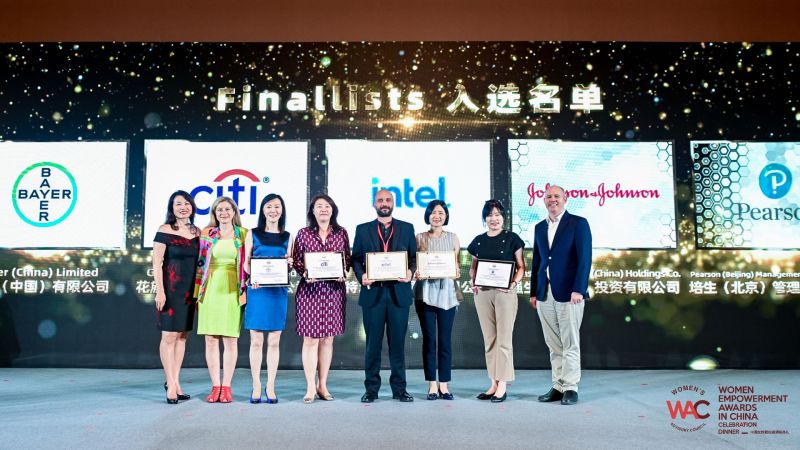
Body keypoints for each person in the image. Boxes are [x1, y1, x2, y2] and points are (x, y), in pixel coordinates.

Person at [529, 185, 592, 406]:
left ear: (565, 199)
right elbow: (537, 262)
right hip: (544, 293)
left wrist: (579, 289)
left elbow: (584, 259)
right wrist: (534, 292)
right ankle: (557, 385)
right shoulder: (539, 227)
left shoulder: (578, 223)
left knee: (570, 342)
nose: (552, 200)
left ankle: (571, 387)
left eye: (556, 196)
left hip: (569, 292)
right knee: (553, 343)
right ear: (544, 201)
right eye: (548, 197)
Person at [352, 189, 416, 403]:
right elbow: (356, 259)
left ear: (393, 203)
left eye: (388, 200)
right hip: (373, 293)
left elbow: (414, 258)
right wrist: (362, 276)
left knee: (398, 344)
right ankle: (371, 389)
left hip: (399, 294)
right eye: (380, 200)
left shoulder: (407, 228)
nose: (384, 203)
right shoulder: (363, 229)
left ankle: (400, 389)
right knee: (372, 345)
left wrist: (409, 272)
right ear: (374, 204)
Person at [292, 194, 351, 404]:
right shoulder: (303, 233)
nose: (324, 209)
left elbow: (348, 260)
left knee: (327, 339)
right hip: (310, 292)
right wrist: (306, 272)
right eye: (319, 206)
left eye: (327, 206)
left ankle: (322, 384)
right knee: (310, 339)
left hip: (334, 291)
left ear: (333, 210)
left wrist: (343, 271)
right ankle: (310, 386)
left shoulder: (341, 233)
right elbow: (298, 260)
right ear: (313, 211)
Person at [467, 199, 525, 403]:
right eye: (490, 215)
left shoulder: (512, 239)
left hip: (504, 294)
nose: (494, 219)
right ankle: (493, 383)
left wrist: (512, 284)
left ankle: (503, 385)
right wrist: (472, 281)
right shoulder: (478, 240)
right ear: (485, 218)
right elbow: (474, 266)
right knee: (490, 340)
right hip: (483, 294)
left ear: (503, 217)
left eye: (498, 214)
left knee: (504, 340)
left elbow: (521, 267)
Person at [194, 196, 248, 403]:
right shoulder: (207, 234)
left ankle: (227, 386)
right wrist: (197, 292)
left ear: (234, 212)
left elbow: (251, 261)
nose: (223, 213)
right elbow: (199, 264)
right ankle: (215, 385)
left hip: (233, 288)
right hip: (209, 288)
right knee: (210, 340)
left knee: (230, 339)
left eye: (227, 209)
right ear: (214, 214)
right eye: (219, 210)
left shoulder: (243, 234)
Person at [243, 194, 292, 404]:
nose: (273, 210)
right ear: (263, 210)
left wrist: (289, 263)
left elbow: (290, 263)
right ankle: (256, 385)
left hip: (277, 291)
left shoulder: (289, 236)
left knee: (274, 341)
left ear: (282, 211)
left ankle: (270, 386)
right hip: (257, 290)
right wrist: (252, 276)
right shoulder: (252, 234)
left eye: (277, 207)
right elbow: (246, 263)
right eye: (269, 206)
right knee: (256, 340)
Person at [152, 190, 200, 404]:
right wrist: (160, 291)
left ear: (192, 207)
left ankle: (176, 381)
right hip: (170, 290)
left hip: (191, 292)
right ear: (172, 208)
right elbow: (157, 263)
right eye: (178, 203)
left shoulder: (198, 231)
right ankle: (170, 383)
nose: (183, 207)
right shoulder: (164, 230)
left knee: (182, 336)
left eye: (186, 203)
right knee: (169, 337)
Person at [414, 200, 461, 400]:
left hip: (447, 295)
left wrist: (456, 271)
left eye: (441, 212)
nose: (437, 216)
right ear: (428, 215)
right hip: (425, 293)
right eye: (433, 212)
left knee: (444, 341)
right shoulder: (419, 238)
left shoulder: (453, 238)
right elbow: (414, 264)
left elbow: (456, 266)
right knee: (430, 340)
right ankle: (432, 384)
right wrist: (418, 272)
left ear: (446, 216)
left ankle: (444, 384)